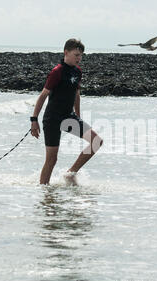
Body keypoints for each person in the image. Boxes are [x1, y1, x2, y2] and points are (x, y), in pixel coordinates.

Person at [30, 39, 103, 185]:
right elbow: (43, 96)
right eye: (76, 55)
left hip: (69, 117)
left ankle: (71, 173)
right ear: (66, 53)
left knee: (96, 141)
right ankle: (44, 192)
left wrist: (78, 116)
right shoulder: (57, 72)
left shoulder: (77, 72)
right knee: (51, 160)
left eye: (81, 55)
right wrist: (34, 120)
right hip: (52, 119)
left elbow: (76, 94)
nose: (79, 58)